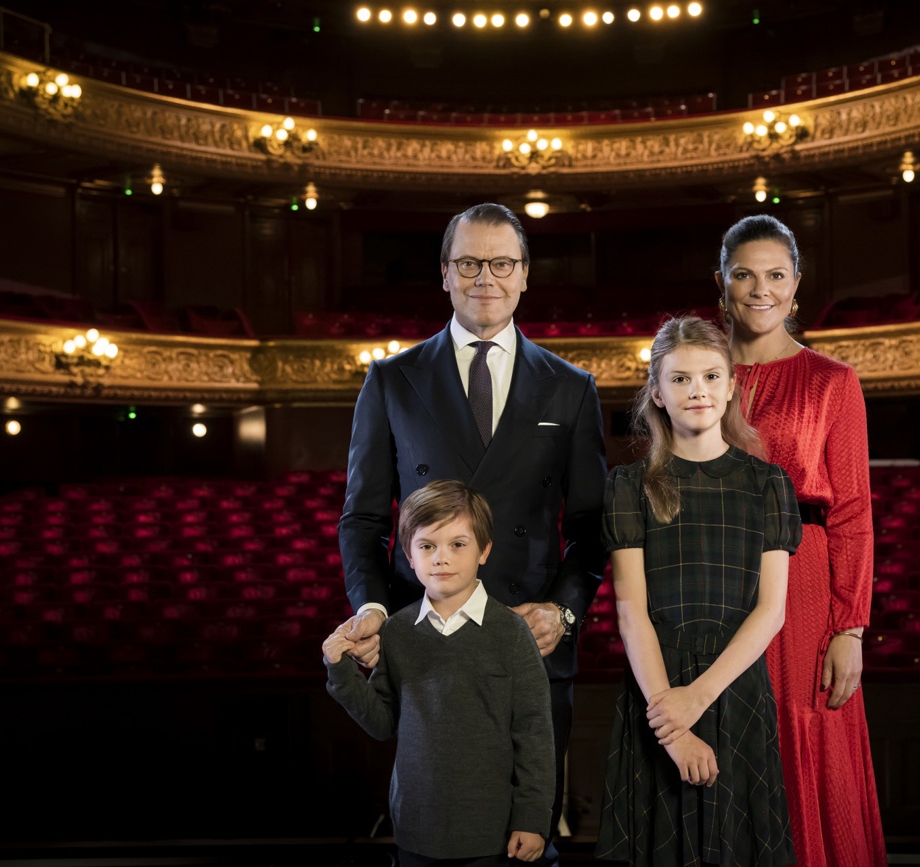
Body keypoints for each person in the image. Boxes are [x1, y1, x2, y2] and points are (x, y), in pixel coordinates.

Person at [336, 202, 607, 858]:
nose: (485, 276)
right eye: (469, 263)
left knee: (527, 835)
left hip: (530, 644)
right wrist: (373, 607)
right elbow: (364, 518)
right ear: (445, 273)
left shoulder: (571, 387)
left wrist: (563, 615)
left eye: (501, 263)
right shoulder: (392, 380)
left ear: (524, 275)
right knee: (434, 832)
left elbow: (594, 528)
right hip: (424, 648)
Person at [596, 315, 799, 867]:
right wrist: (673, 726)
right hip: (655, 692)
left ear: (731, 385)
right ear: (657, 393)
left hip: (734, 688)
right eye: (680, 379)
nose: (698, 391)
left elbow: (771, 611)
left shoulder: (768, 483)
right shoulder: (628, 485)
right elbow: (631, 612)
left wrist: (697, 698)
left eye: (711, 376)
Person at [716, 214, 887, 866]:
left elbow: (851, 512)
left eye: (776, 275)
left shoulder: (832, 381)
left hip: (803, 586)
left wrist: (850, 627)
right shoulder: (697, 373)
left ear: (796, 284)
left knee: (801, 735)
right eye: (744, 274)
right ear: (721, 282)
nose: (761, 289)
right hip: (712, 579)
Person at [324, 480, 555, 866]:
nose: (441, 558)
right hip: (417, 827)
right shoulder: (396, 631)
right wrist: (341, 672)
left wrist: (532, 819)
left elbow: (534, 734)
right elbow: (383, 723)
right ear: (409, 556)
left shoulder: (512, 633)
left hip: (491, 832)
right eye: (427, 546)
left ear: (484, 550)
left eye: (458, 545)